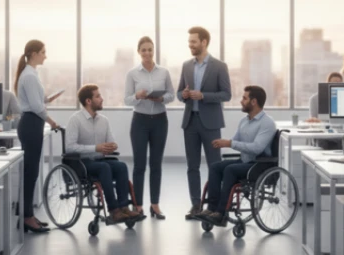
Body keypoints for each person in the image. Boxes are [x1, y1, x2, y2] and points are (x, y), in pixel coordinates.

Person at [195, 86, 276, 226]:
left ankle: (221, 214)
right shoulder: (244, 121)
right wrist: (223, 143)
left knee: (230, 170)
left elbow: (257, 148)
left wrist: (230, 143)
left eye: (244, 98)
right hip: (245, 161)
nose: (241, 101)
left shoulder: (267, 123)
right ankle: (211, 209)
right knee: (215, 167)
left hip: (259, 164)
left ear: (254, 101)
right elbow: (235, 141)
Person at [176, 26, 232, 220]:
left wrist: (203, 96)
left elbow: (226, 94)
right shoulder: (186, 65)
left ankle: (215, 206)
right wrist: (183, 95)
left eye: (193, 41)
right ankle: (196, 205)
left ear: (204, 42)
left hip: (211, 123)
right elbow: (178, 92)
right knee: (192, 166)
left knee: (214, 165)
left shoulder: (219, 66)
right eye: (189, 41)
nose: (190, 44)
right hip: (190, 122)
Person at [67, 84, 142, 223]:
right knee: (105, 168)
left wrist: (112, 146)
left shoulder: (104, 120)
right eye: (98, 96)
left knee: (121, 166)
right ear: (88, 101)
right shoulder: (75, 120)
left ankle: (124, 207)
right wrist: (96, 148)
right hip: (82, 162)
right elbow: (70, 147)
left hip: (100, 159)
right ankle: (114, 210)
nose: (102, 99)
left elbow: (111, 142)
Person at [124, 36, 175, 219]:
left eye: (150, 49)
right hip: (140, 121)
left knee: (156, 164)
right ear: (139, 52)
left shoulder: (164, 72)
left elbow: (172, 95)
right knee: (139, 165)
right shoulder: (132, 74)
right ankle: (138, 206)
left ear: (154, 51)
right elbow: (126, 100)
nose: (147, 53)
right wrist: (137, 96)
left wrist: (161, 98)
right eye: (143, 50)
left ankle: (155, 205)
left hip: (160, 121)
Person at [15, 40, 61, 233]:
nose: (45, 56)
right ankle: (27, 217)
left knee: (31, 172)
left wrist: (46, 99)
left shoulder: (31, 74)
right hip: (32, 123)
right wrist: (51, 121)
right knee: (31, 172)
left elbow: (36, 101)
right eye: (43, 52)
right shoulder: (30, 76)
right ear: (33, 54)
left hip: (32, 123)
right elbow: (35, 107)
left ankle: (28, 215)